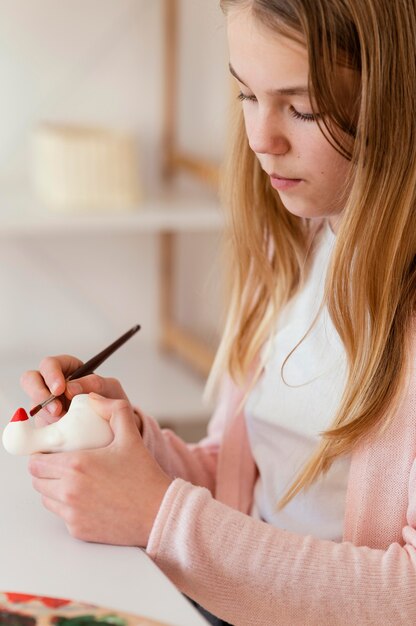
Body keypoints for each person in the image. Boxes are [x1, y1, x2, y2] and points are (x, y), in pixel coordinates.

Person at [21, 0, 416, 624]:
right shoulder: (295, 244)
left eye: (304, 107)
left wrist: (155, 514)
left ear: (397, 94)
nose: (262, 139)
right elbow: (244, 492)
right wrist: (129, 443)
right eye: (245, 94)